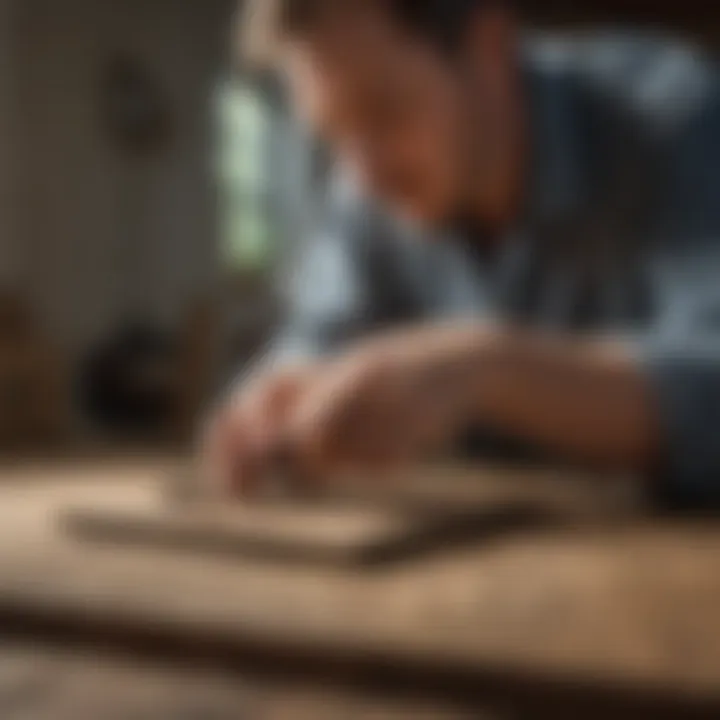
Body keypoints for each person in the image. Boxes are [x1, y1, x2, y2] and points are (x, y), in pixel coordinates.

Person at [205, 0, 720, 507]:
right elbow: (319, 336)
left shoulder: (677, 117)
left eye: (385, 110)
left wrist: (484, 370)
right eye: (334, 136)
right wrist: (282, 400)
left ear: (488, 46)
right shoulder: (365, 182)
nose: (363, 172)